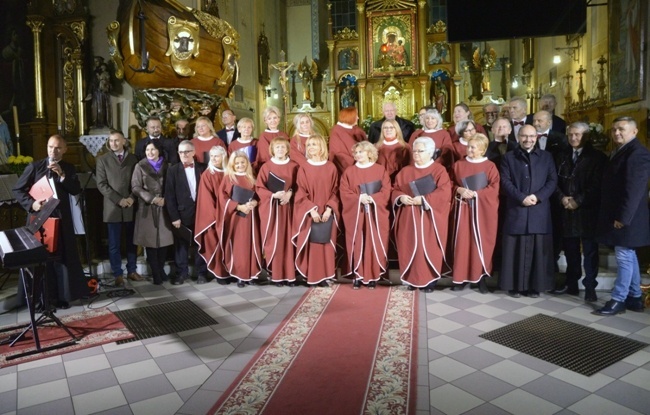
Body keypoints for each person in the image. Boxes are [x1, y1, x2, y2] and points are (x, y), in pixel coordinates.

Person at [13, 135, 87, 309]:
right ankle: (41, 299)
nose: (53, 151)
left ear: (65, 149)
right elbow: (18, 189)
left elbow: (75, 189)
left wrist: (62, 175)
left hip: (62, 220)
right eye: (50, 147)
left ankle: (62, 297)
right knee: (41, 260)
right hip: (40, 221)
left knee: (61, 259)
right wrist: (32, 204)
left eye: (58, 148)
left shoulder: (68, 167)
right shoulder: (35, 166)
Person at [595, 117, 650, 315]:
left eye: (622, 129)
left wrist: (623, 218)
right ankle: (635, 297)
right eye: (614, 129)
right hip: (622, 214)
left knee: (624, 256)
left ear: (634, 132)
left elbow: (634, 190)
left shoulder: (638, 154)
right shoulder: (622, 151)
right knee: (629, 254)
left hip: (629, 217)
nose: (617, 133)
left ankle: (618, 299)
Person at [549, 122, 607, 301]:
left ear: (586, 136)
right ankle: (571, 283)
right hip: (566, 209)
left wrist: (578, 200)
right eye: (570, 135)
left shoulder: (597, 157)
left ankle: (590, 286)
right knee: (570, 250)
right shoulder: (561, 155)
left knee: (589, 251)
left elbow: (597, 185)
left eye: (578, 135)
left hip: (587, 211)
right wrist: (562, 198)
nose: (573, 138)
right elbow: (553, 180)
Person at [499, 125, 558, 298]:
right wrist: (521, 197)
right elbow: (505, 181)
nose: (528, 139)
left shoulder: (546, 157)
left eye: (532, 136)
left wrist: (538, 197)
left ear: (537, 137)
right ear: (518, 137)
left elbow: (552, 180)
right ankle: (515, 286)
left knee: (538, 249)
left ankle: (535, 287)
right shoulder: (508, 157)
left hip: (539, 210)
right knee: (514, 249)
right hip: (517, 209)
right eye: (524, 136)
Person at [392, 137, 451, 292]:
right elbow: (395, 189)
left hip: (429, 216)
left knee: (428, 247)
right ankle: (412, 280)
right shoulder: (406, 171)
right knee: (410, 246)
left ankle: (429, 281)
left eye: (420, 151)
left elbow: (444, 193)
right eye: (415, 150)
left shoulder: (439, 170)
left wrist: (424, 200)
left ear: (431, 152)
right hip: (409, 216)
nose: (416, 153)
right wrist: (401, 197)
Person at [449, 134, 500, 293]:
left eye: (473, 147)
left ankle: (481, 278)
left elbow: (494, 187)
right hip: (463, 209)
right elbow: (450, 183)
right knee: (463, 243)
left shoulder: (490, 166)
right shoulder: (458, 164)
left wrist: (477, 194)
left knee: (481, 243)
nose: (469, 150)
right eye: (468, 146)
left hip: (482, 211)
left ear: (483, 150)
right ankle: (460, 278)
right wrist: (459, 189)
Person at [339, 141, 391, 289]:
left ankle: (373, 275)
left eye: (361, 152)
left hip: (375, 213)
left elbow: (386, 190)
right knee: (357, 242)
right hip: (356, 213)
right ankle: (357, 275)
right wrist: (358, 198)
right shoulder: (349, 171)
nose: (357, 155)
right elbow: (344, 191)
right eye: (355, 153)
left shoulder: (380, 170)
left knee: (373, 242)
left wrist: (373, 199)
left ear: (369, 152)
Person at [95, 130, 142, 286]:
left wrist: (131, 198)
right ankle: (117, 273)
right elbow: (101, 184)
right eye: (111, 140)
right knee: (114, 243)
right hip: (112, 207)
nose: (113, 143)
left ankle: (132, 270)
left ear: (124, 141)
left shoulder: (134, 159)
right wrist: (118, 199)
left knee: (131, 241)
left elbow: (138, 182)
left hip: (130, 205)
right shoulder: (103, 160)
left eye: (116, 140)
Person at [293, 135, 340, 287]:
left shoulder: (331, 167)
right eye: (309, 145)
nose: (311, 147)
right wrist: (312, 210)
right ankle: (313, 276)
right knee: (313, 244)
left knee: (325, 243)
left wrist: (329, 209)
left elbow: (336, 191)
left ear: (321, 147)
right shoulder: (304, 168)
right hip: (311, 212)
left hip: (326, 211)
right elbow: (300, 191)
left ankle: (326, 276)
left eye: (314, 144)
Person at [255, 138, 299, 286]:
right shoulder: (266, 167)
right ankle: (276, 275)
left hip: (289, 209)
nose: (280, 149)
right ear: (272, 150)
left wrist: (290, 194)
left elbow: (300, 185)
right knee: (275, 241)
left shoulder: (294, 166)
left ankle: (290, 275)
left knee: (289, 240)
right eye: (277, 147)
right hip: (272, 209)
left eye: (283, 147)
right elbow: (259, 187)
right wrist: (272, 195)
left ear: (287, 149)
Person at [216, 151, 262, 287]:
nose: (240, 165)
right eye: (237, 163)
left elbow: (259, 194)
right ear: (232, 165)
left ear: (247, 163)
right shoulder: (229, 178)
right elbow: (222, 198)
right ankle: (240, 275)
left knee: (252, 244)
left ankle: (252, 274)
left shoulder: (252, 177)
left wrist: (255, 202)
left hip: (251, 217)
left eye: (243, 162)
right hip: (236, 217)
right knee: (239, 246)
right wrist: (238, 207)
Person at [132, 139, 174, 285]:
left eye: (153, 150)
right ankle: (156, 273)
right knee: (150, 243)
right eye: (147, 150)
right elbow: (136, 187)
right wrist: (151, 199)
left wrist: (165, 199)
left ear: (159, 151)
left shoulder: (167, 165)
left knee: (163, 242)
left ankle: (160, 269)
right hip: (147, 208)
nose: (150, 152)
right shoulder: (140, 166)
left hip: (164, 207)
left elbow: (172, 186)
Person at [165, 140, 208, 285]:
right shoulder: (173, 170)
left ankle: (201, 273)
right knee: (181, 245)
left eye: (187, 151)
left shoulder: (203, 168)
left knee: (200, 243)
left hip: (201, 213)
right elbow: (169, 196)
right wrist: (174, 217)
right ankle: (181, 273)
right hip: (181, 214)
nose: (184, 154)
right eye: (181, 152)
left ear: (193, 152)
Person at [194, 146, 230, 284]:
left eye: (217, 156)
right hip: (215, 217)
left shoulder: (229, 173)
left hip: (230, 215)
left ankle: (230, 271)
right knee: (215, 243)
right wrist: (218, 216)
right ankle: (220, 274)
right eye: (212, 156)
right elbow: (206, 200)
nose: (214, 159)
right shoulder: (208, 175)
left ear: (223, 157)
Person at [328, 107, 367, 176]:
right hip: (344, 167)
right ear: (350, 117)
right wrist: (357, 160)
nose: (358, 118)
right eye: (356, 116)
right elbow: (338, 152)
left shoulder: (356, 129)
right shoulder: (337, 131)